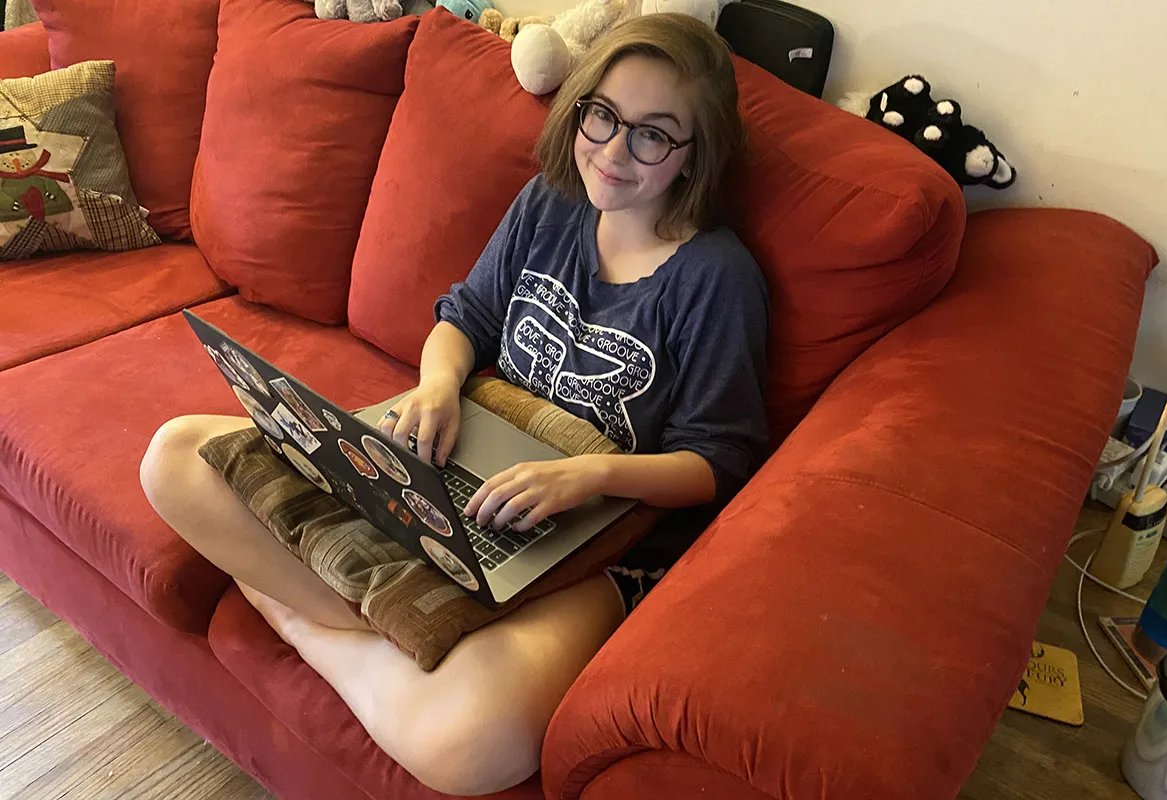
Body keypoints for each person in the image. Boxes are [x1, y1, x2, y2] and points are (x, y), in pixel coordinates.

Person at [140, 12, 769, 796]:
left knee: (470, 743)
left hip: (594, 533)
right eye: (602, 115)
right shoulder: (550, 203)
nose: (612, 150)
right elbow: (462, 320)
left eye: (653, 134)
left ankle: (300, 615)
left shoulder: (716, 278)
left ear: (695, 152)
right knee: (174, 457)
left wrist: (593, 476)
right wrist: (438, 386)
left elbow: (719, 463)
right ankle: (383, 635)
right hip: (454, 460)